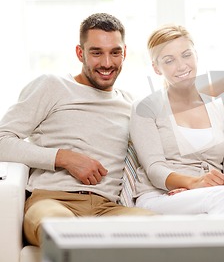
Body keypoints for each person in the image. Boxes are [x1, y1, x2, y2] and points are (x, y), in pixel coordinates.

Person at [0, 13, 156, 247]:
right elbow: (3, 140)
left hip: (108, 209)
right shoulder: (52, 86)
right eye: (96, 52)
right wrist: (64, 158)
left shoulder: (131, 105)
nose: (106, 63)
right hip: (54, 202)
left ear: (124, 52)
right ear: (80, 53)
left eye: (115, 52)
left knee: (161, 230)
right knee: (66, 232)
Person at [129, 24, 224, 215]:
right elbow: (154, 168)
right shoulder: (145, 108)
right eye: (169, 60)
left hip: (213, 195)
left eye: (186, 55)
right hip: (162, 197)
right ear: (156, 68)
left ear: (196, 55)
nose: (182, 66)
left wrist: (210, 187)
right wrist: (192, 184)